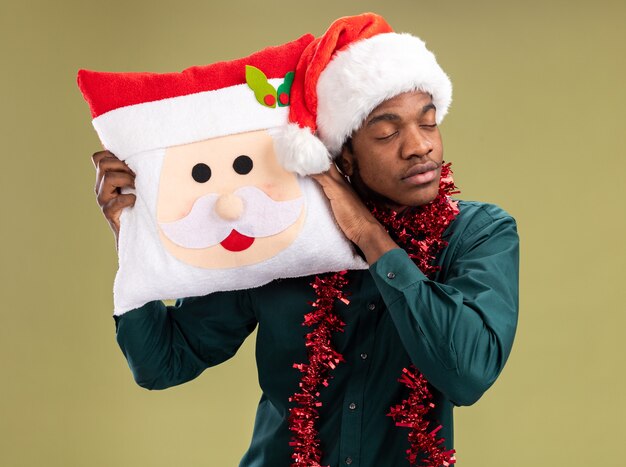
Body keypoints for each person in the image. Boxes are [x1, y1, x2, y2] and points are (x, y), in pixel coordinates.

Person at [92, 13, 518, 467]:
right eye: (388, 132)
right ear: (343, 155)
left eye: (428, 123)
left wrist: (368, 236)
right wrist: (131, 233)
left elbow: (467, 373)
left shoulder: (478, 233)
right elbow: (164, 364)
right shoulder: (281, 232)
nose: (419, 147)